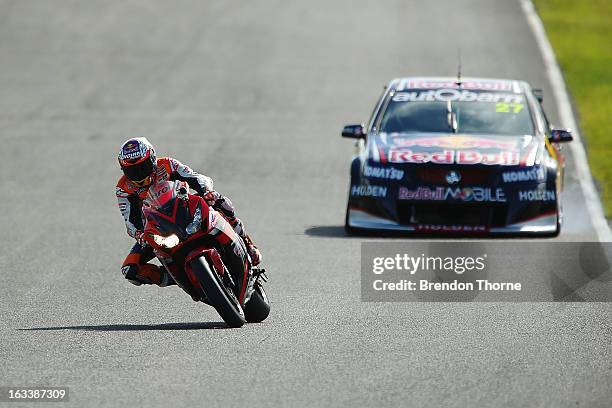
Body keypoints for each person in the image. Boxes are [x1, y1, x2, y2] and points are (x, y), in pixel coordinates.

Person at [116, 137, 261, 287]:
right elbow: (130, 220)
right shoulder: (123, 188)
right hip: (157, 227)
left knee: (220, 201)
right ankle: (173, 277)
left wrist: (207, 191)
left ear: (152, 158)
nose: (138, 174)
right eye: (131, 171)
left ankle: (247, 243)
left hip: (184, 209)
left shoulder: (167, 164)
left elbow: (195, 177)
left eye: (142, 167)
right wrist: (139, 234)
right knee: (130, 270)